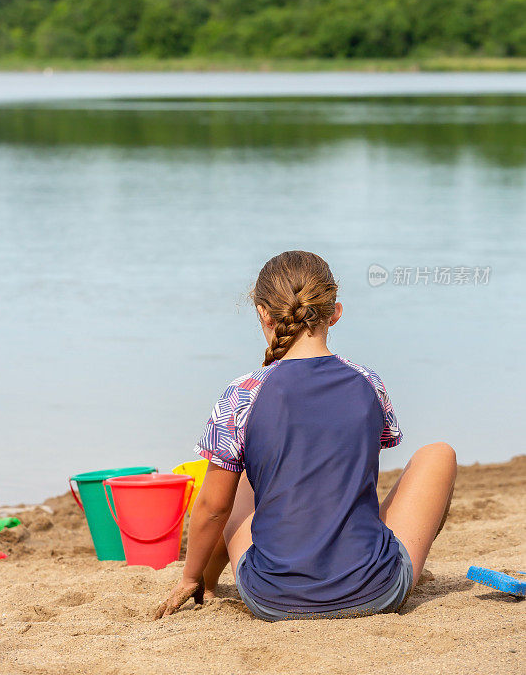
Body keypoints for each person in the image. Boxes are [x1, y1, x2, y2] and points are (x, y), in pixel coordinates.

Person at [155, 251, 456, 621]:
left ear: (263, 313)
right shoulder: (369, 383)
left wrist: (187, 576)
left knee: (239, 475)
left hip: (271, 598)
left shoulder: (242, 393)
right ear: (335, 312)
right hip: (377, 592)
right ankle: (371, 560)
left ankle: (208, 583)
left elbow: (214, 508)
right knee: (438, 454)